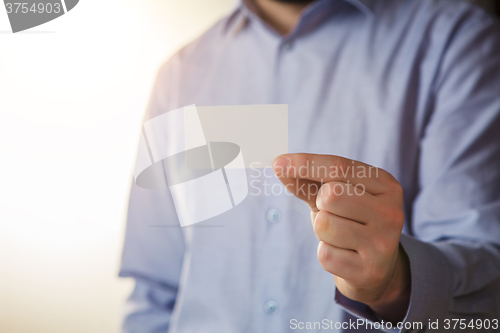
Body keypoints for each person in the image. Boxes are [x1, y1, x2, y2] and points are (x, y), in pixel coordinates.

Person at [119, 0, 500, 332]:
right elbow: (154, 292)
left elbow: (486, 290)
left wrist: (395, 284)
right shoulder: (179, 75)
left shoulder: (457, 42)